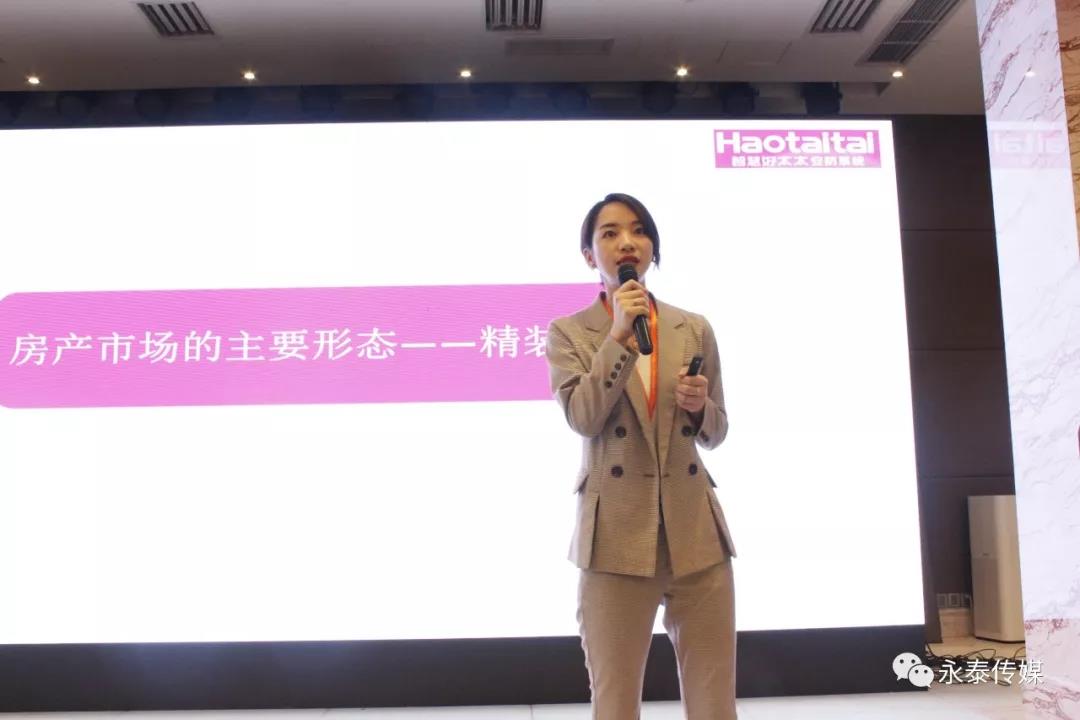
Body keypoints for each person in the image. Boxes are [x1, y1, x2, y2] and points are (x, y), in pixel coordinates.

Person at [545, 193, 738, 720]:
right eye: (609, 233)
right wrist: (617, 337)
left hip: (696, 533)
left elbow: (717, 431)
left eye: (638, 230)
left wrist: (700, 408)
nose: (626, 242)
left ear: (652, 246)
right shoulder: (569, 332)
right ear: (590, 255)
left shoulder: (692, 327)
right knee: (615, 702)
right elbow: (584, 417)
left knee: (715, 701)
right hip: (615, 537)